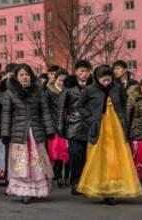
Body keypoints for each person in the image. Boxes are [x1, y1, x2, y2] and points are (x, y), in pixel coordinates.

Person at [76, 65, 142, 205]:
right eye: (103, 80)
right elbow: (80, 106)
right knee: (98, 158)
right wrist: (90, 119)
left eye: (109, 80)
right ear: (97, 78)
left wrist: (123, 117)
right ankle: (100, 187)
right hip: (98, 128)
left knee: (117, 157)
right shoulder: (89, 90)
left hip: (117, 127)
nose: (106, 83)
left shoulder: (117, 88)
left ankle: (114, 189)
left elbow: (125, 103)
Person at [1, 63, 55, 204]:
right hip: (19, 133)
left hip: (35, 132)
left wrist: (49, 130)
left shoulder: (39, 92)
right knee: (21, 163)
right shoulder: (9, 93)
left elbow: (45, 112)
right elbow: (6, 115)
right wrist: (5, 133)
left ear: (31, 76)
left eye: (27, 74)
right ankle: (24, 191)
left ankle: (37, 190)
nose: (24, 77)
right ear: (17, 77)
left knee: (37, 162)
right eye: (21, 75)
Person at [57, 59, 92, 195]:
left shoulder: (93, 87)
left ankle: (84, 183)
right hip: (73, 127)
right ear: (76, 72)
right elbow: (61, 109)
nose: (84, 74)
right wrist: (60, 127)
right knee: (75, 155)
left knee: (86, 157)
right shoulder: (68, 89)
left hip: (89, 126)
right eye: (82, 71)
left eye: (87, 71)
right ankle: (75, 182)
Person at [43, 69, 69, 188]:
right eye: (59, 80)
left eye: (64, 81)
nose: (61, 83)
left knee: (68, 152)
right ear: (55, 79)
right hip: (54, 125)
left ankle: (67, 176)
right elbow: (45, 109)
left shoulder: (69, 91)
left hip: (68, 124)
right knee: (57, 152)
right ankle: (58, 176)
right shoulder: (49, 91)